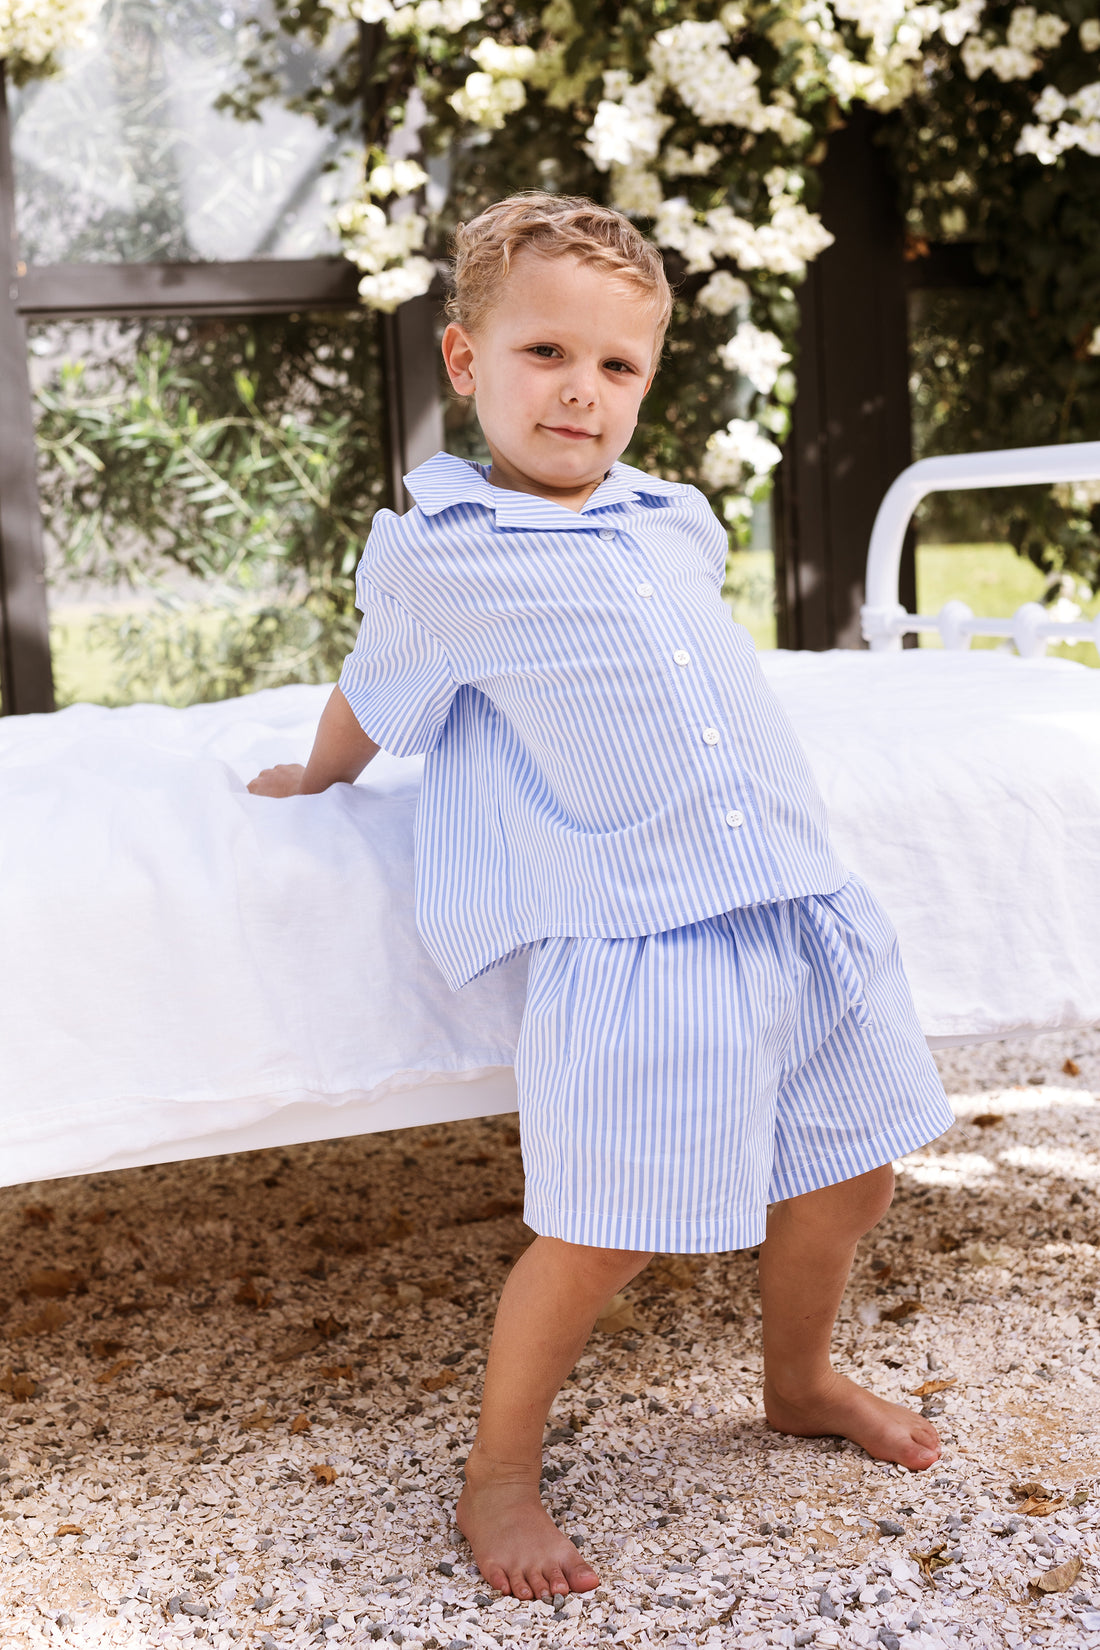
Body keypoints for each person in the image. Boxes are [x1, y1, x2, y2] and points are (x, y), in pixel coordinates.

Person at [248, 192, 956, 1605]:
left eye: (617, 366)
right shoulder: (446, 548)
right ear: (465, 360)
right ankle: (499, 1470)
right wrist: (318, 774)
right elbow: (374, 692)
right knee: (606, 1225)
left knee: (851, 1167)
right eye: (544, 354)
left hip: (795, 901)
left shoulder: (672, 517)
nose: (581, 390)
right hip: (644, 931)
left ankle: (801, 1377)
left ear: (646, 381)